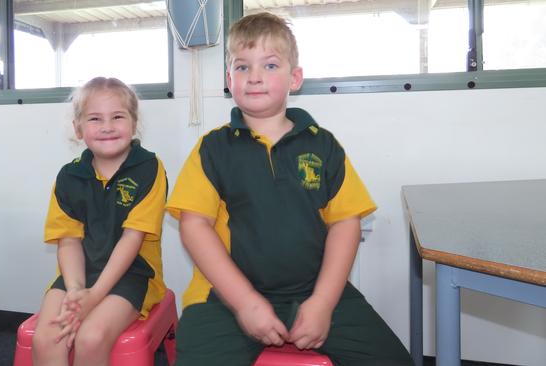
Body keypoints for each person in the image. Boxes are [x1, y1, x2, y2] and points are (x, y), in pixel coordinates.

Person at [166, 12, 413, 366]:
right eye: (241, 67)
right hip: (223, 300)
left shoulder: (323, 146)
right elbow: (194, 226)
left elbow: (346, 223)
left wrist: (324, 303)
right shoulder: (212, 149)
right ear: (228, 80)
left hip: (317, 292)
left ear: (294, 78)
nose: (254, 77)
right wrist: (246, 303)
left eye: (269, 65)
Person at [32, 77, 168, 366]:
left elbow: (132, 239)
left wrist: (93, 297)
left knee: (91, 337)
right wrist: (76, 291)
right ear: (78, 129)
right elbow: (68, 241)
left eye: (117, 117)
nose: (107, 126)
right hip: (79, 274)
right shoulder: (69, 177)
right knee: (47, 338)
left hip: (133, 274)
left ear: (133, 123)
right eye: (95, 118)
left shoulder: (149, 168)